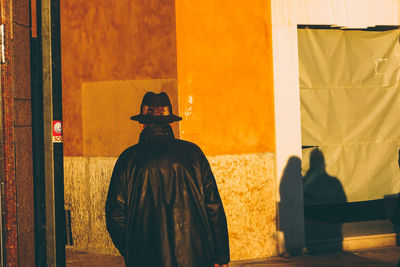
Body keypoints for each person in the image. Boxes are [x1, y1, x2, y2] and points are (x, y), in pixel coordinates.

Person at [105, 92, 230, 267]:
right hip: (194, 258)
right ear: (171, 122)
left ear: (141, 124)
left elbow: (115, 216)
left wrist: (134, 250)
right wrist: (221, 255)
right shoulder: (194, 154)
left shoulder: (128, 159)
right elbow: (214, 207)